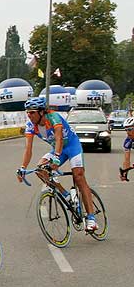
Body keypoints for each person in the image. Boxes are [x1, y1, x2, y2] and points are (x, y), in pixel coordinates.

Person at [16, 96, 98, 231]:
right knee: (40, 170)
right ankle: (65, 195)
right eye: (28, 112)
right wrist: (22, 167)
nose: (29, 115)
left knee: (78, 176)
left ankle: (91, 218)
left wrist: (56, 158)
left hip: (72, 147)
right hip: (57, 149)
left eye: (32, 112)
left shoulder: (54, 117)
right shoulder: (31, 125)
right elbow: (28, 149)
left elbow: (59, 138)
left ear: (41, 112)